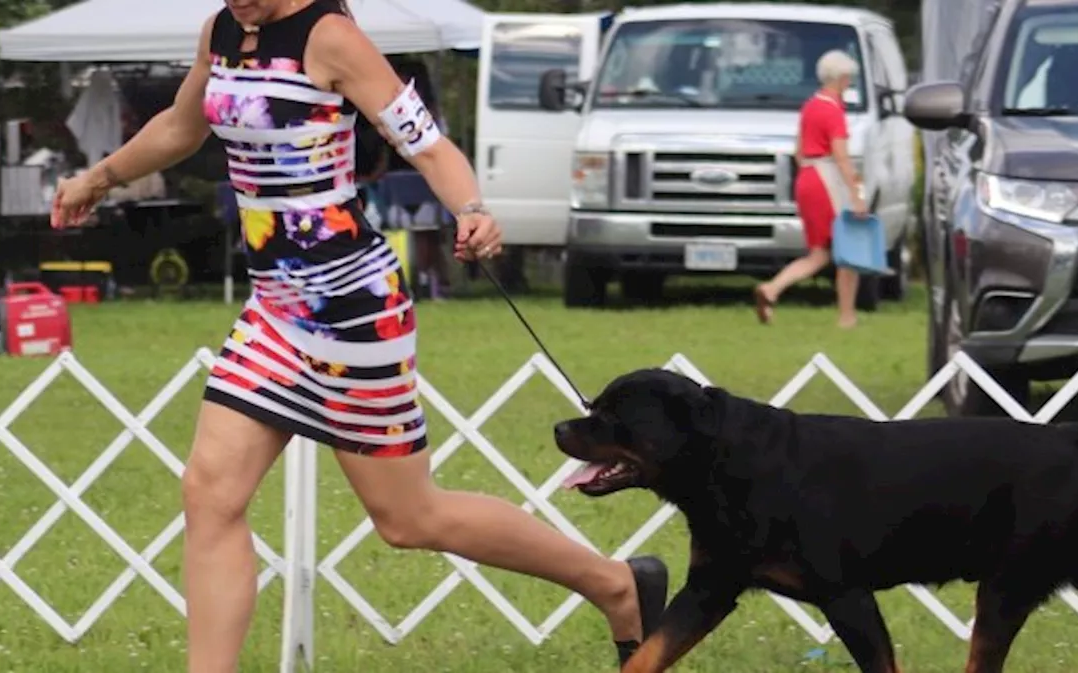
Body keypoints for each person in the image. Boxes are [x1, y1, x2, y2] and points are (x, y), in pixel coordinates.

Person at [48, 1, 668, 671]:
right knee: (209, 491)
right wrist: (98, 178)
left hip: (351, 307)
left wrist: (473, 209)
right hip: (274, 309)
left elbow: (425, 142)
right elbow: (180, 124)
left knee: (409, 519)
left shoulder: (332, 38)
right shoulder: (221, 32)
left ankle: (617, 584)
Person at [753, 50, 866, 329]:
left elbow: (799, 152)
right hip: (826, 180)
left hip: (807, 178)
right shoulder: (833, 111)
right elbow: (841, 155)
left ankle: (773, 288)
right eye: (848, 79)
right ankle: (847, 315)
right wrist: (856, 193)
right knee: (848, 250)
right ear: (840, 78)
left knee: (819, 253)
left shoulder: (810, 106)